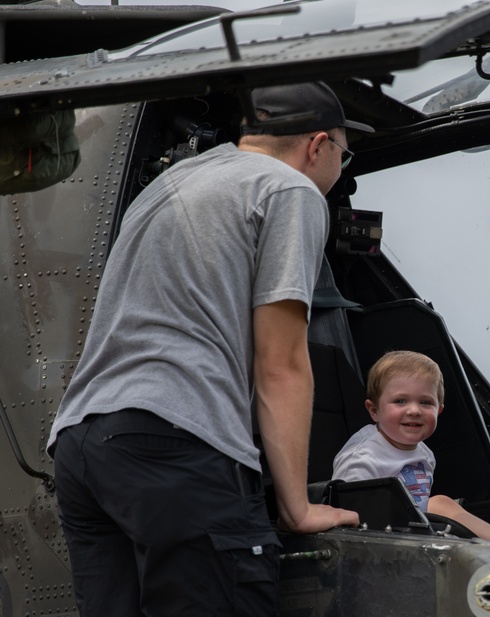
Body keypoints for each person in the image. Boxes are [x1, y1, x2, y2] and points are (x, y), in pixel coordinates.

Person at [46, 81, 369, 616]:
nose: (340, 167)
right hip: (174, 445)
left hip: (85, 447)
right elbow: (281, 364)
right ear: (317, 145)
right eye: (344, 152)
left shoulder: (173, 181)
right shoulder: (288, 189)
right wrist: (297, 508)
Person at [332, 350, 490, 543]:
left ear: (439, 411)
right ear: (374, 411)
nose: (414, 410)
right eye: (400, 401)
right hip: (380, 543)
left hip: (418, 537)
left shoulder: (425, 453)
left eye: (425, 402)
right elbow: (347, 518)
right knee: (440, 504)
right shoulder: (361, 458)